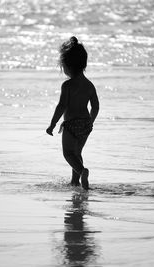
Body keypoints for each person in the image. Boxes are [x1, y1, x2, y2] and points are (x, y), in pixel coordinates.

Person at [46, 36, 99, 190]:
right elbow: (95, 106)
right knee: (77, 153)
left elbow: (61, 106)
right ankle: (75, 182)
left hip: (70, 125)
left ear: (67, 66)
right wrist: (90, 121)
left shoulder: (67, 86)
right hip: (85, 125)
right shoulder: (89, 85)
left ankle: (82, 172)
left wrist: (52, 124)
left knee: (68, 154)